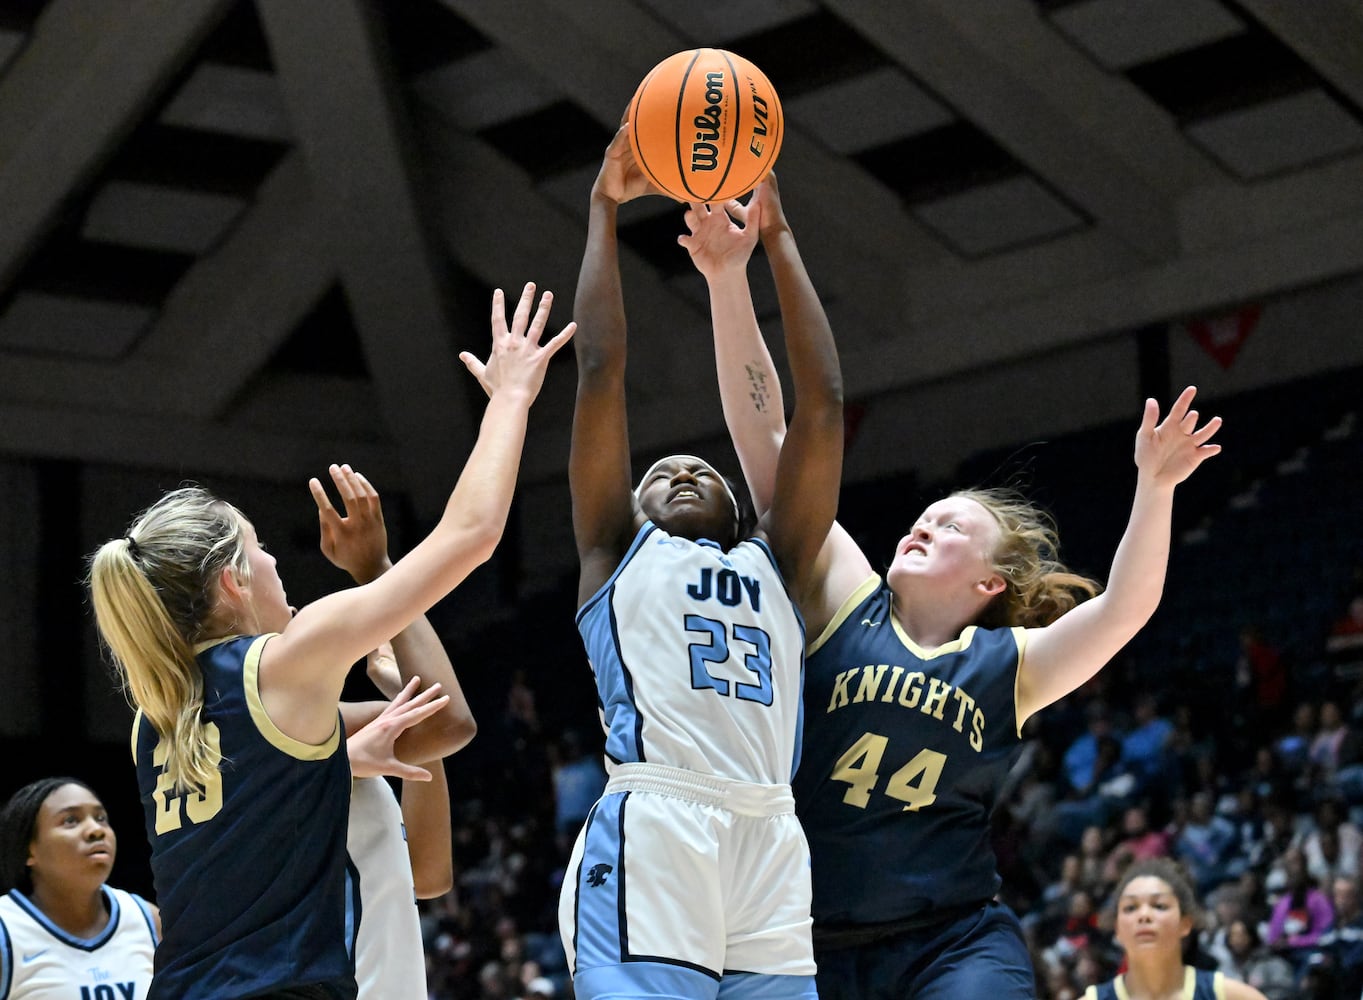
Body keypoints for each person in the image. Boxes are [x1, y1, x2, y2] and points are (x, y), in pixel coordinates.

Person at [709, 245, 1222, 996]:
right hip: (810, 943)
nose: (921, 525)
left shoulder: (1006, 665)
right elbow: (770, 444)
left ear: (989, 579)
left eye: (948, 526)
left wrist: (1156, 485)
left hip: (950, 940)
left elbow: (1124, 610)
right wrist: (725, 277)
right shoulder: (843, 599)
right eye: (922, 517)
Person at [86, 283, 573, 1000]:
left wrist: (347, 747)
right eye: (260, 551)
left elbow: (437, 723)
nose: (279, 564)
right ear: (232, 582)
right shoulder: (282, 665)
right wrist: (509, 398)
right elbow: (471, 536)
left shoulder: (154, 717)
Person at [557, 124, 843, 1000]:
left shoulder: (779, 560)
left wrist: (780, 244)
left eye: (702, 470)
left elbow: (822, 406)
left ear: (738, 506)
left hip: (769, 832)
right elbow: (600, 369)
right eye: (659, 474)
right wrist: (603, 209)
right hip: (658, 820)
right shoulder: (614, 551)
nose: (680, 469)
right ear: (631, 508)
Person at [309, 462, 476, 999]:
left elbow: (427, 876)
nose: (296, 609)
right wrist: (378, 570)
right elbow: (451, 721)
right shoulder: (301, 737)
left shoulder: (336, 742)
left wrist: (400, 706)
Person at [0, 777, 159, 999]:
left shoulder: (149, 920)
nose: (96, 830)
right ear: (29, 850)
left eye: (101, 818)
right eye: (71, 820)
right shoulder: (6, 930)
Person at [1085, 858, 1267, 999]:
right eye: (1131, 908)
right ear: (1118, 929)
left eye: (1160, 906)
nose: (1144, 915)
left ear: (1185, 923)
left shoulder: (1230, 996)